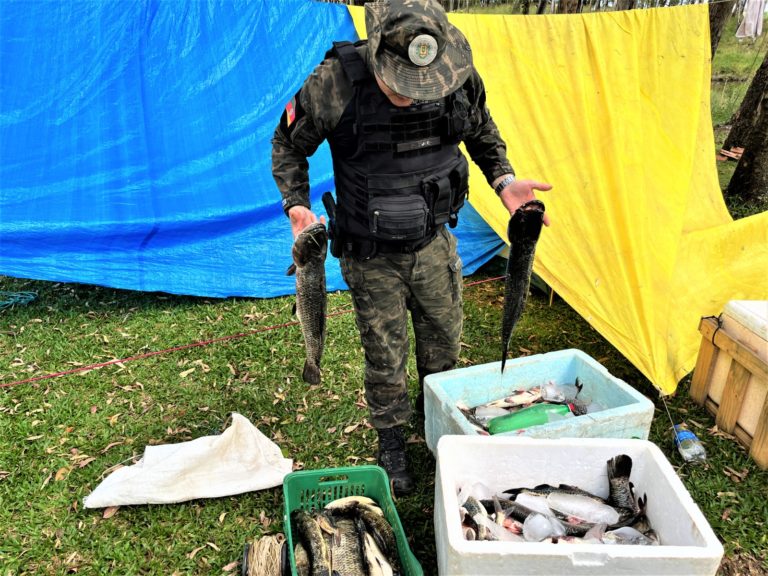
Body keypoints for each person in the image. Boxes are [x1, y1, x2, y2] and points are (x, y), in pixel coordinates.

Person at [272, 0, 551, 496]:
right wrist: (296, 204)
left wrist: (504, 179)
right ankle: (392, 442)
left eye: (420, 86)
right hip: (369, 253)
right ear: (377, 55)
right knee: (385, 356)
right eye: (398, 83)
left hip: (434, 244)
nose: (411, 95)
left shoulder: (455, 74)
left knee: (443, 348)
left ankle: (437, 429)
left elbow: (482, 133)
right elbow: (289, 143)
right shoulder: (335, 83)